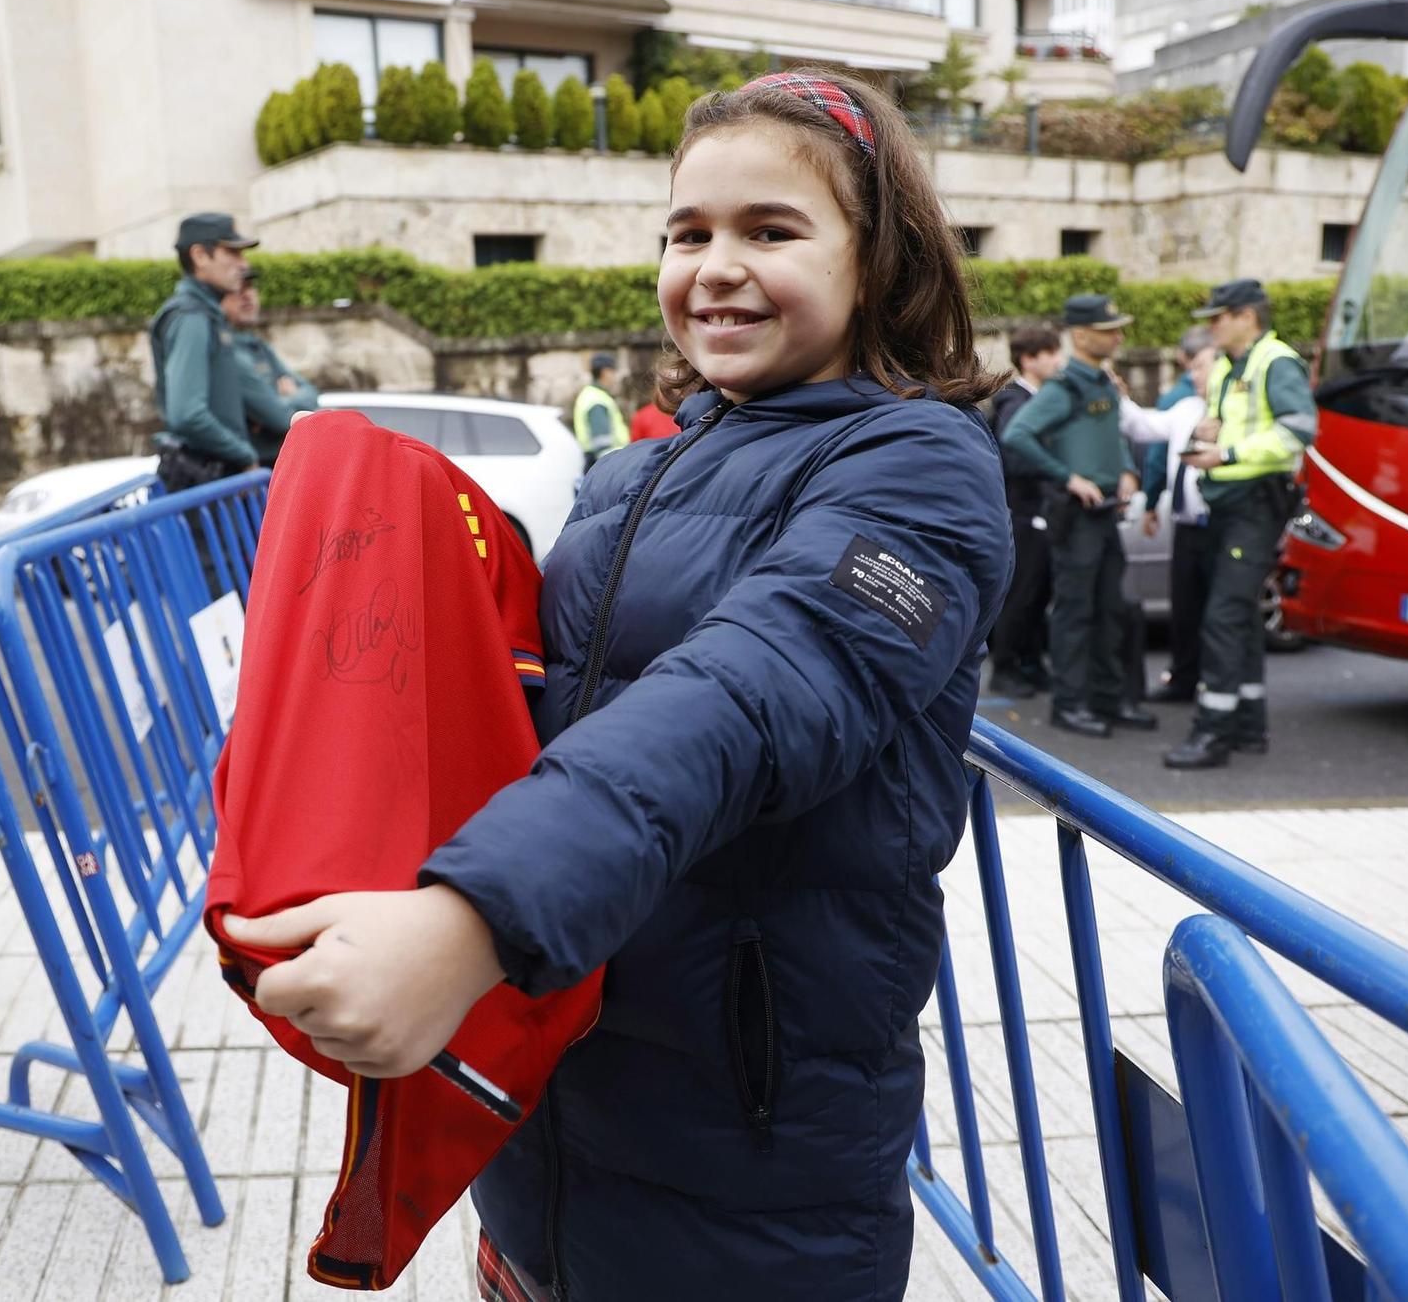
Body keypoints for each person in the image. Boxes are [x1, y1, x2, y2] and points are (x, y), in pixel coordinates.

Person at [220, 71, 1011, 1301]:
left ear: (882, 260)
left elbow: (749, 694)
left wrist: (471, 918)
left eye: (770, 230)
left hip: (746, 1139)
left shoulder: (916, 466)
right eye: (686, 233)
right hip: (556, 1108)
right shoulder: (635, 468)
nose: (715, 265)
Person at [1165, 278, 1316, 769]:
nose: (1211, 327)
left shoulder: (1275, 360)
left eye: (1218, 318)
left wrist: (1226, 451)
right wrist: (1207, 435)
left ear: (1246, 317)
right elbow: (1233, 427)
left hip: (1258, 501)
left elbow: (1298, 430)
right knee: (1242, 614)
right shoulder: (1232, 366)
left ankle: (1213, 734)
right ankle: (1249, 725)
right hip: (1230, 502)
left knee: (1224, 616)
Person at [1002, 294, 1156, 738]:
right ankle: (1070, 704)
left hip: (1106, 512)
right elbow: (1018, 434)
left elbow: (1113, 436)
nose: (1118, 336)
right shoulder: (1064, 386)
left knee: (1111, 608)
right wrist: (1067, 477)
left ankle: (1109, 698)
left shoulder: (1102, 382)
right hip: (1077, 516)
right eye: (1109, 330)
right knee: (1075, 612)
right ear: (1082, 334)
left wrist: (1126, 469)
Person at [149, 213, 260, 492]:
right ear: (200, 255)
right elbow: (187, 413)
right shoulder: (191, 316)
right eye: (232, 253)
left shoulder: (206, 314)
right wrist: (245, 455)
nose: (242, 263)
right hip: (206, 480)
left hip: (212, 480)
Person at [984, 324, 1062, 698]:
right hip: (1023, 509)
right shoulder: (1017, 403)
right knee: (1022, 593)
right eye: (1051, 353)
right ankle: (1006, 668)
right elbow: (1014, 458)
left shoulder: (1029, 400)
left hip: (1032, 509)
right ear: (1029, 359)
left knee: (1037, 592)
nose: (1058, 361)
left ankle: (1030, 664)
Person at [1142, 333, 1218, 701]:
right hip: (1187, 526)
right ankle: (1185, 679)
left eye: (1203, 366)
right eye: (1195, 366)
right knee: (1184, 609)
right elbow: (1146, 429)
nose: (1195, 373)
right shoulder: (1185, 407)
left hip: (1219, 526)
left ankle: (1218, 686)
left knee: (1219, 613)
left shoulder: (1234, 412)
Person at [223, 265, 317, 467]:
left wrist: (291, 398)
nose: (247, 296)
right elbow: (281, 417)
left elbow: (311, 394)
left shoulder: (258, 347)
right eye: (237, 290)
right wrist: (285, 400)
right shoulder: (227, 352)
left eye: (250, 287)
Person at [570, 352, 629, 466]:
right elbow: (602, 443)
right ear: (605, 372)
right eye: (613, 371)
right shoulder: (596, 399)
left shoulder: (592, 395)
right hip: (605, 462)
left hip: (599, 461)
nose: (615, 376)